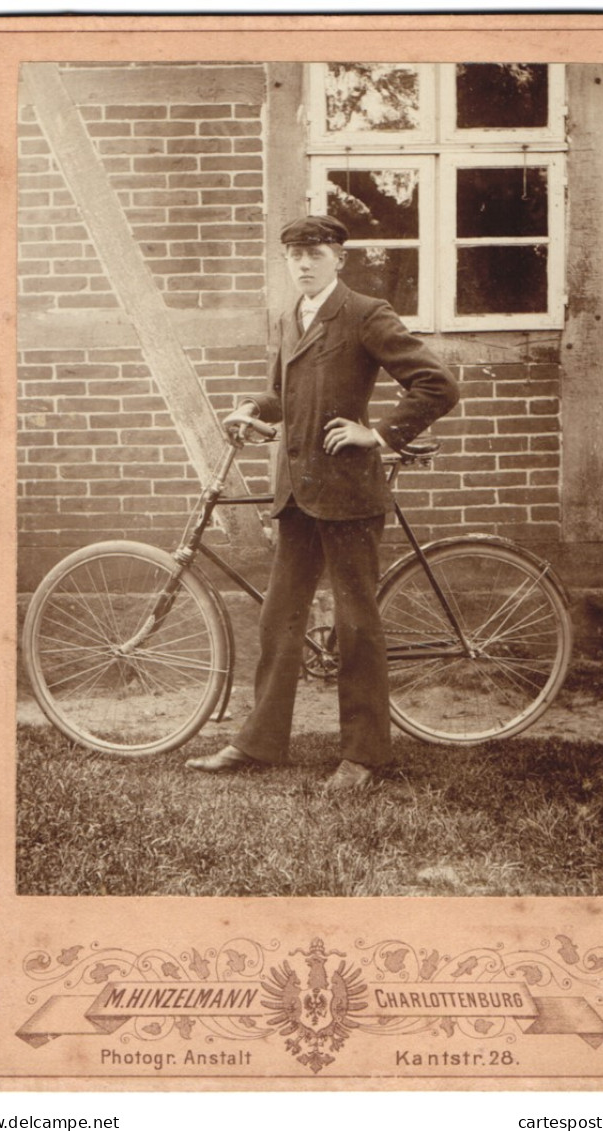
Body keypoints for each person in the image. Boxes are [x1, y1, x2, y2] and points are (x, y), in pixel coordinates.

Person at [186, 215, 459, 788]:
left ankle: (364, 756)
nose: (304, 264)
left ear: (340, 258)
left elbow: (437, 384)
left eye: (316, 253)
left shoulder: (364, 312)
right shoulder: (290, 317)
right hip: (296, 493)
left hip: (348, 492)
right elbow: (285, 395)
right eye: (294, 255)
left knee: (357, 625)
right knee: (278, 621)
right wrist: (254, 411)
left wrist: (379, 436)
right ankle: (260, 743)